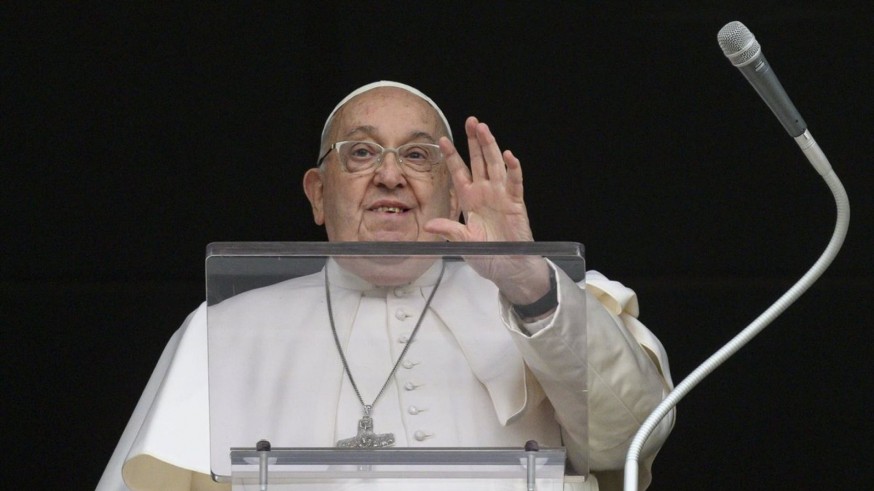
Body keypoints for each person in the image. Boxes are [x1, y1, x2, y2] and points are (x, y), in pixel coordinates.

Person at [97, 81, 674, 491]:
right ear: (318, 194)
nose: (390, 174)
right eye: (362, 152)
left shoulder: (542, 295)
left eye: (418, 155)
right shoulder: (223, 329)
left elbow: (630, 443)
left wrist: (527, 283)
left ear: (452, 192)